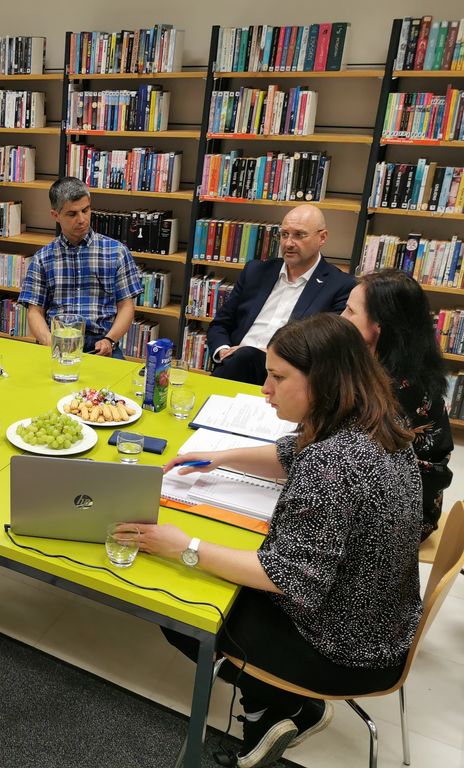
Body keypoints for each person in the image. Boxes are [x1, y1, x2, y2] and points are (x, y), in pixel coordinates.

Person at [130, 314, 422, 768]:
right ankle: (276, 707)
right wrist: (220, 458)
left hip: (342, 649)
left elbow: (285, 576)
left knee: (180, 606)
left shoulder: (333, 465)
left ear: (322, 380)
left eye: (278, 377)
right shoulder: (373, 417)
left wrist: (184, 546)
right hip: (383, 623)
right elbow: (290, 452)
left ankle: (281, 706)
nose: (265, 389)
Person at [342, 269, 453, 539]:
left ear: (379, 326)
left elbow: (345, 458)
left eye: (350, 311)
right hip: (386, 493)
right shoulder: (395, 364)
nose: (341, 318)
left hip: (403, 517)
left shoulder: (399, 390)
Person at [207, 204, 356, 385]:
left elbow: (326, 348)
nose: (288, 243)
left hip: (286, 378)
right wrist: (224, 351)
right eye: (284, 234)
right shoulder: (256, 271)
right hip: (234, 365)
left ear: (322, 237)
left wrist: (269, 354)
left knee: (246, 355)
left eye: (299, 235)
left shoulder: (340, 286)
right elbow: (220, 324)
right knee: (242, 358)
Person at [18, 176, 142, 357]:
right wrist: (49, 341)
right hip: (58, 341)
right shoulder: (42, 259)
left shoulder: (116, 252)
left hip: (102, 342)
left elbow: (126, 306)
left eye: (85, 210)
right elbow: (35, 311)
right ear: (55, 215)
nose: (82, 219)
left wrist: (110, 339)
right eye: (72, 214)